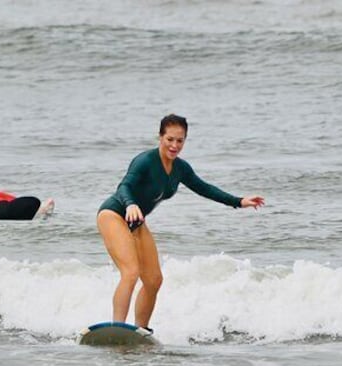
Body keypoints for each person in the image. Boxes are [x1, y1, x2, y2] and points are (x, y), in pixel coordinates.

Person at [97, 113, 265, 330]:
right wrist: (130, 204)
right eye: (170, 139)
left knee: (154, 280)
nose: (174, 145)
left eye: (180, 140)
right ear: (160, 137)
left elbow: (204, 188)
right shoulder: (145, 161)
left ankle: (140, 331)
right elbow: (124, 187)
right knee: (130, 272)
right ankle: (117, 328)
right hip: (114, 214)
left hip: (137, 222)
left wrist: (238, 201)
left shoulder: (180, 168)